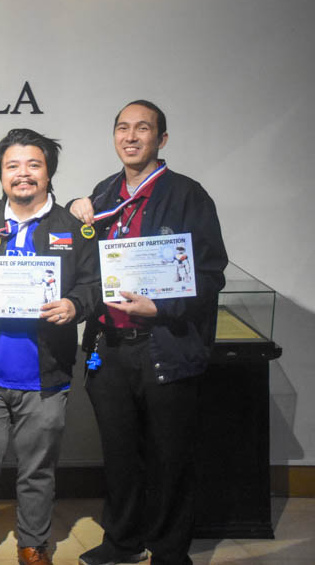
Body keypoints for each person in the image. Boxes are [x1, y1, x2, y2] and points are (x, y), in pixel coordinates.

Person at [69, 101, 227, 565]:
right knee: (119, 455)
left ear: (162, 139)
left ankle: (169, 550)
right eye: (122, 128)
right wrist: (78, 216)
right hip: (109, 349)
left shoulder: (187, 195)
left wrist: (160, 306)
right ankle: (122, 542)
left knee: (170, 457)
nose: (131, 136)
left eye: (143, 128)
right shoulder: (102, 194)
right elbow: (83, 264)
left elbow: (210, 273)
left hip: (165, 347)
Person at [0, 128, 99, 565]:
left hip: (45, 377)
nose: (23, 174)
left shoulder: (74, 229)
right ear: (0, 173)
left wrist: (74, 304)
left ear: (49, 172)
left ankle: (34, 543)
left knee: (38, 469)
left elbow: (94, 285)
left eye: (34, 164)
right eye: (13, 166)